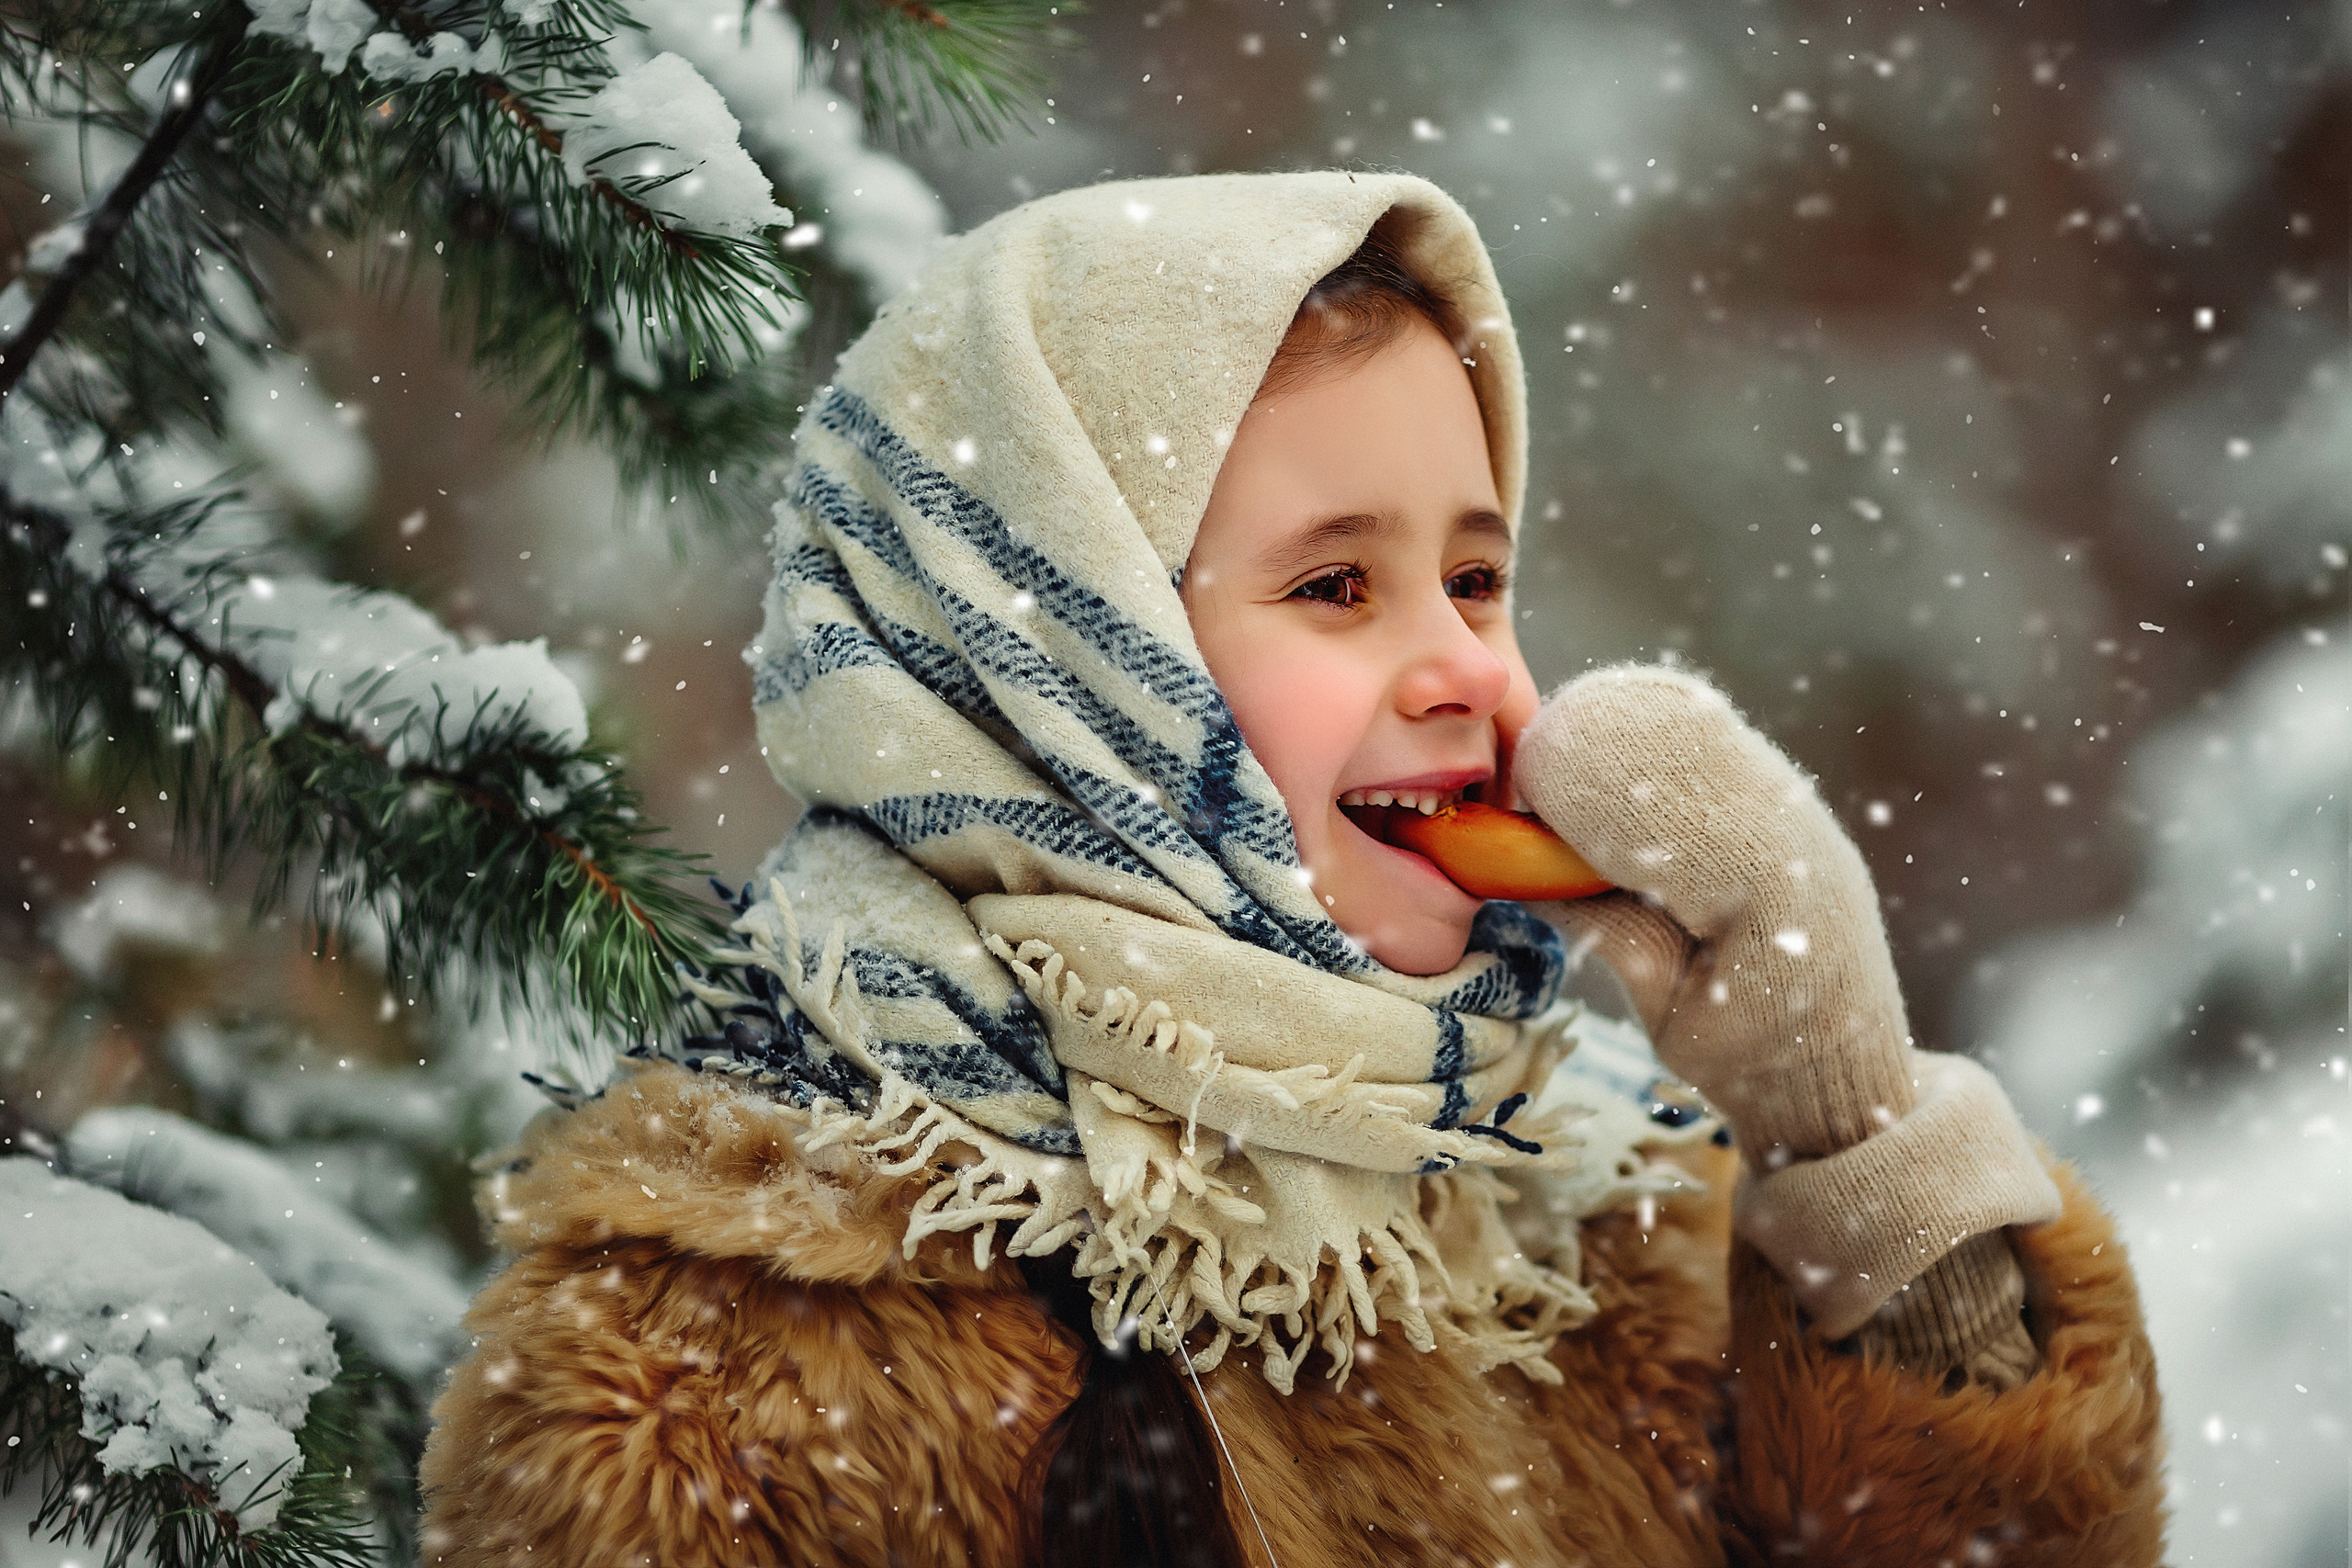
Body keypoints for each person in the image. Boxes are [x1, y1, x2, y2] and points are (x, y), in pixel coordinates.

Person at [417, 173, 2167, 1566]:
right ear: (1059, 660)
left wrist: (1849, 1128)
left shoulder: (1605, 1245)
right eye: (1338, 586)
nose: (1469, 670)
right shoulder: (716, 1380)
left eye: (1477, 580)